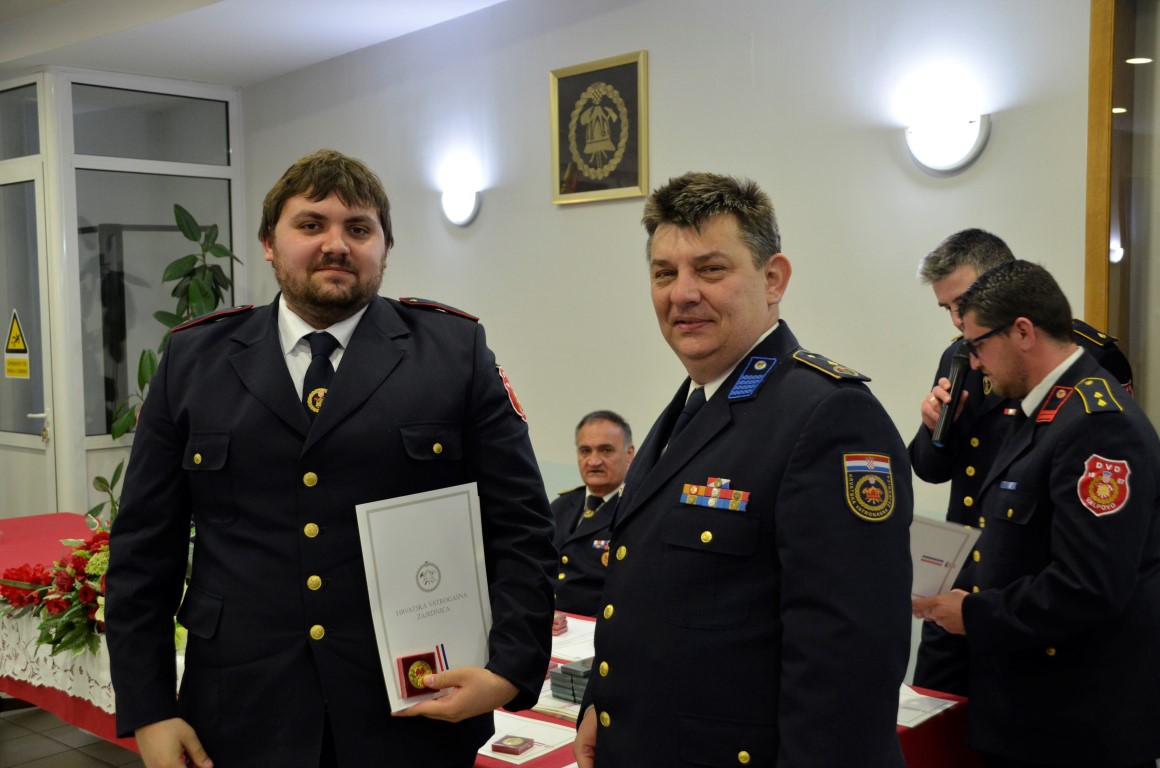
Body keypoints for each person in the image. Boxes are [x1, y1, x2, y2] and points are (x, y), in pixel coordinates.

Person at [105, 149, 556, 768]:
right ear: (269, 243)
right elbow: (142, 552)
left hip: (413, 714)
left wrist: (508, 669)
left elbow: (523, 528)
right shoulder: (194, 362)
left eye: (359, 228)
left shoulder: (453, 354)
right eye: (311, 224)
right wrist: (150, 707)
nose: (336, 244)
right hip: (240, 712)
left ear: (385, 248)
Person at [573, 172, 913, 768]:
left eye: (710, 269)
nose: (682, 294)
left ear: (773, 279)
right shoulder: (689, 409)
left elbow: (847, 667)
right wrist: (604, 705)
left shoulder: (829, 416)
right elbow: (647, 598)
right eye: (664, 274)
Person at [912, 260, 1160, 768]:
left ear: (1023, 332)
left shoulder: (1097, 425)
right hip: (1027, 707)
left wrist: (974, 614)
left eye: (978, 346)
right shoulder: (1044, 411)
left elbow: (1089, 585)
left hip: (1075, 722)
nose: (973, 363)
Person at [551, 410, 634, 617]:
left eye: (606, 450)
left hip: (598, 626)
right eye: (585, 451)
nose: (594, 461)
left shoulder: (636, 511)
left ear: (629, 454)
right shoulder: (561, 505)